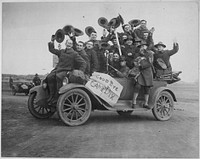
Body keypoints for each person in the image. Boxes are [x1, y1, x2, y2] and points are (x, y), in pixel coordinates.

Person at [47, 38, 86, 106]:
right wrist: (52, 41)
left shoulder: (74, 54)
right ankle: (51, 95)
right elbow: (52, 50)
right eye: (68, 43)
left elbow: (83, 63)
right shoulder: (61, 51)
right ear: (65, 44)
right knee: (49, 77)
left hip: (67, 70)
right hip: (58, 69)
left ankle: (57, 97)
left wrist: (80, 72)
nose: (69, 44)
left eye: (71, 43)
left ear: (72, 45)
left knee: (58, 77)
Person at [132, 42, 154, 109]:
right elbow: (134, 61)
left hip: (147, 72)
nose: (142, 47)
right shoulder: (137, 54)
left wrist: (141, 65)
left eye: (144, 46)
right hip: (139, 72)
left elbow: (150, 63)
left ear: (146, 47)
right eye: (141, 46)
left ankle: (146, 103)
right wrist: (136, 63)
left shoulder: (150, 54)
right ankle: (134, 102)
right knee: (137, 86)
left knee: (147, 88)